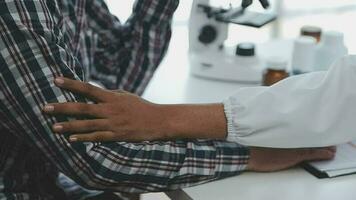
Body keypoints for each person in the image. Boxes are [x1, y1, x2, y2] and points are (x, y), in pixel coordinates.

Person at [0, 0, 335, 199]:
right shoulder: (17, 11)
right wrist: (250, 154)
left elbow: (121, 77)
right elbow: (96, 158)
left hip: (53, 182)